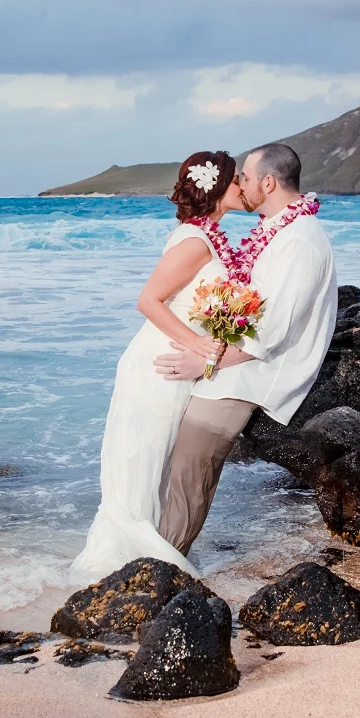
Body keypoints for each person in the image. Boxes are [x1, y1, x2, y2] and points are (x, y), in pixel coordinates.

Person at [68, 151, 245, 581]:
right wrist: (201, 346)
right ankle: (125, 564)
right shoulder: (194, 243)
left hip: (173, 364)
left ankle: (149, 559)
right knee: (141, 466)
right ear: (218, 187)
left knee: (156, 466)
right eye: (237, 179)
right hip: (159, 365)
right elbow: (148, 300)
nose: (243, 186)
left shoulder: (206, 236)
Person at [154, 143, 337, 556]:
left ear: (268, 183)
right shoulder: (281, 231)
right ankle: (158, 552)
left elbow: (271, 332)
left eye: (247, 178)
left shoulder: (300, 241)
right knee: (178, 463)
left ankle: (163, 562)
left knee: (191, 467)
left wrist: (203, 359)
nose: (241, 185)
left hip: (255, 372)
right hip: (236, 361)